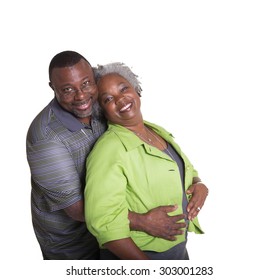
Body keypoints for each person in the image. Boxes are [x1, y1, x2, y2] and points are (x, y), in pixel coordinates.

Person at [26, 51, 202, 260]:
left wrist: (197, 183)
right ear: (52, 88)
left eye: (85, 84)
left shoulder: (102, 113)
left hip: (123, 236)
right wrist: (143, 221)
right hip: (74, 245)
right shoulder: (46, 139)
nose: (81, 96)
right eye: (67, 89)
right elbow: (78, 210)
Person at [85, 62, 209, 260]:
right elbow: (103, 221)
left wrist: (199, 184)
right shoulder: (108, 150)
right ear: (102, 109)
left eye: (123, 88)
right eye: (108, 99)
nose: (120, 99)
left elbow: (185, 169)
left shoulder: (155, 130)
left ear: (136, 89)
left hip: (178, 249)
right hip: (141, 254)